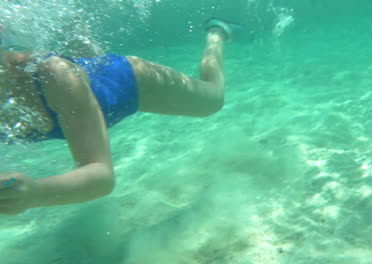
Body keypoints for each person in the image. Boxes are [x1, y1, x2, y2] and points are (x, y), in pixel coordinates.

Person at [0, 18, 237, 215]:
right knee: (86, 72)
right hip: (77, 93)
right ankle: (76, 35)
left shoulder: (54, 75)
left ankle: (216, 34)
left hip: (127, 81)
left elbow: (102, 176)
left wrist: (34, 193)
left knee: (212, 100)